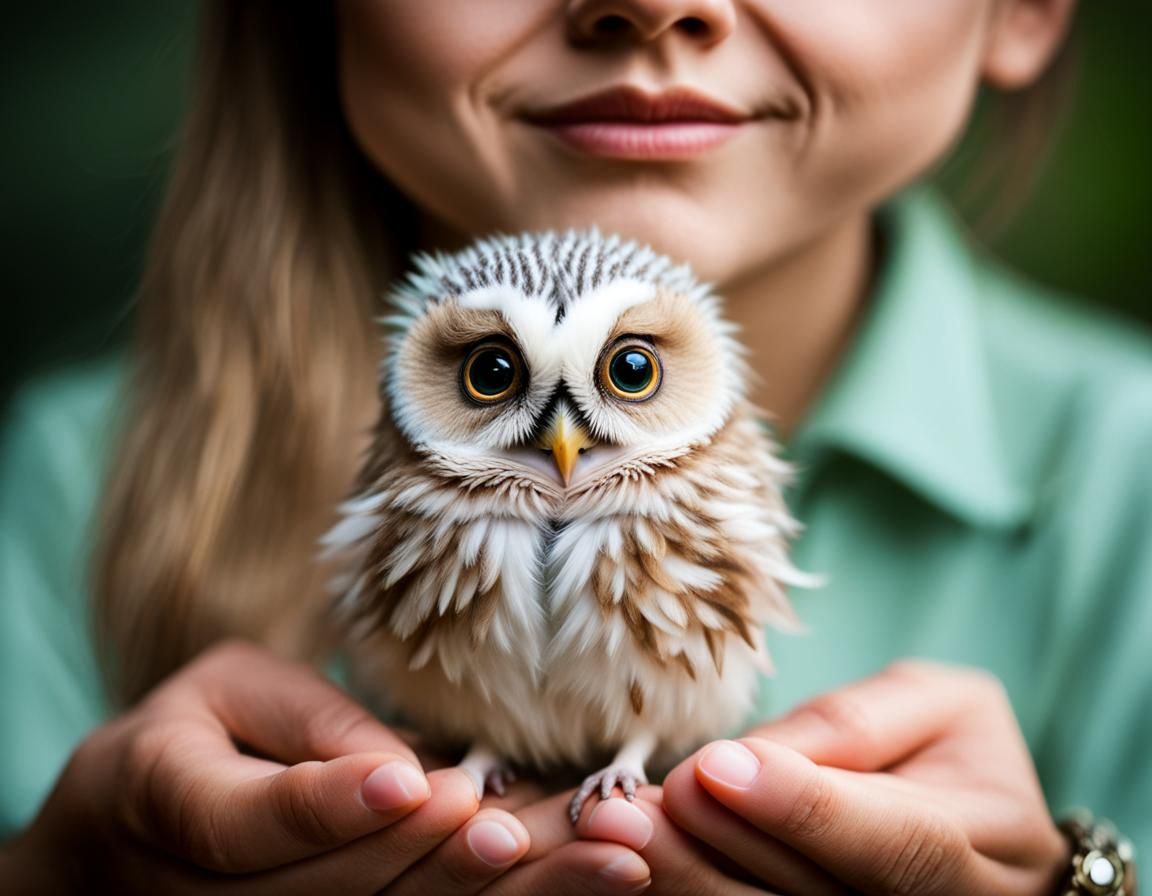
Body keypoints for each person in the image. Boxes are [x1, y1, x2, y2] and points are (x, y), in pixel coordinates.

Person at [1, 1, 1148, 893]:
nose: (649, 6)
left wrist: (1078, 881)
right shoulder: (75, 480)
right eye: (490, 375)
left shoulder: (1126, 472)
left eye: (632, 374)